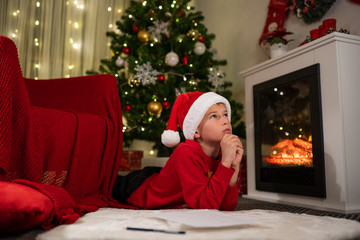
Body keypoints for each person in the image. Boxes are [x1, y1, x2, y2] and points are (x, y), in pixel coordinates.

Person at [112, 92, 243, 210]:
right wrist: (225, 163)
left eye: (225, 114)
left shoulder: (222, 153)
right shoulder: (185, 151)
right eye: (214, 116)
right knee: (108, 184)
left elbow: (227, 207)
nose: (226, 120)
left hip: (168, 180)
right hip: (139, 187)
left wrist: (233, 166)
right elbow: (205, 208)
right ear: (195, 130)